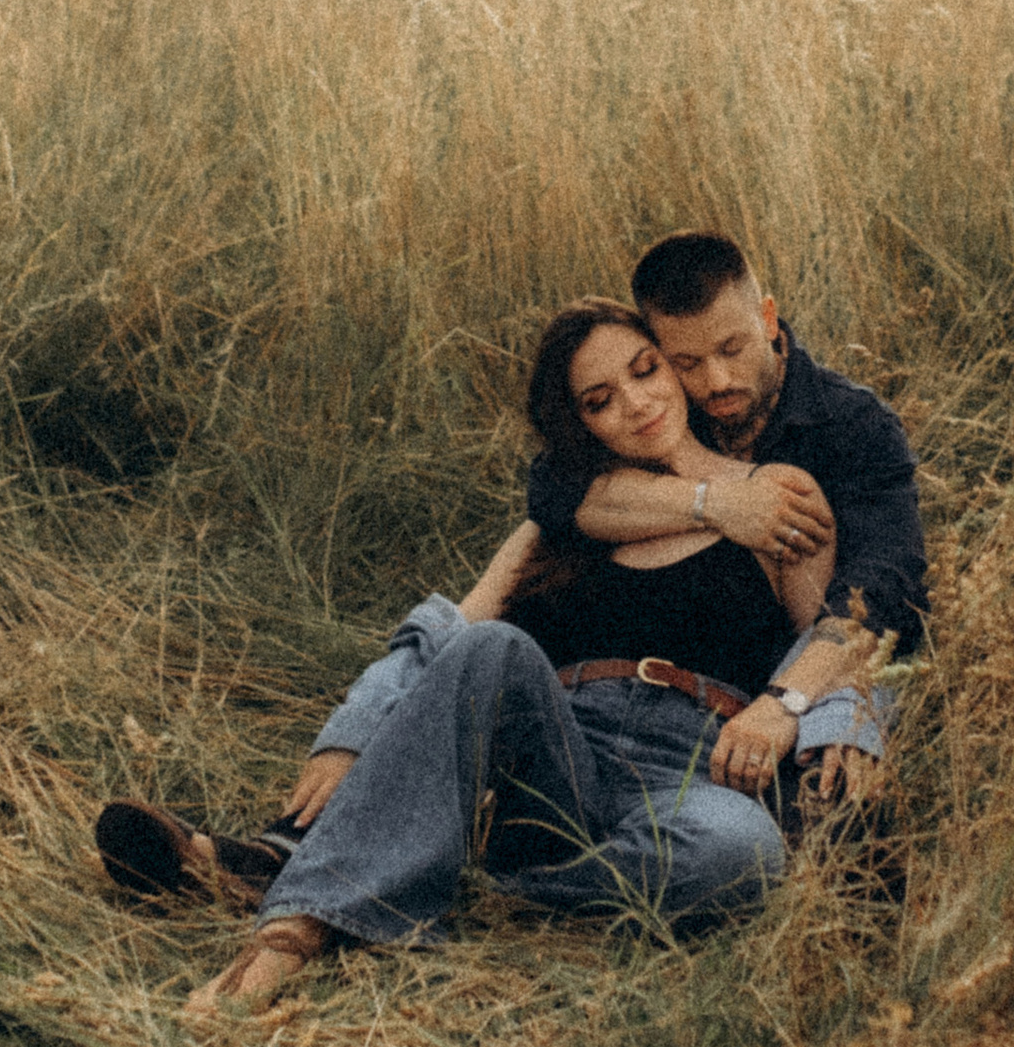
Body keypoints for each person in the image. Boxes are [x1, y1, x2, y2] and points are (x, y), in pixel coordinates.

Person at [176, 294, 849, 1002]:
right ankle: (296, 930)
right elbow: (450, 636)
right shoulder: (563, 524)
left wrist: (790, 713)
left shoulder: (777, 496)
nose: (636, 402)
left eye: (647, 370)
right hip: (560, 751)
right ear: (579, 423)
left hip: (693, 765)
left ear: (678, 367)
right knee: (494, 645)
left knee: (742, 853)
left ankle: (480, 883)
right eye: (599, 400)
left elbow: (835, 635)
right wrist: (353, 732)